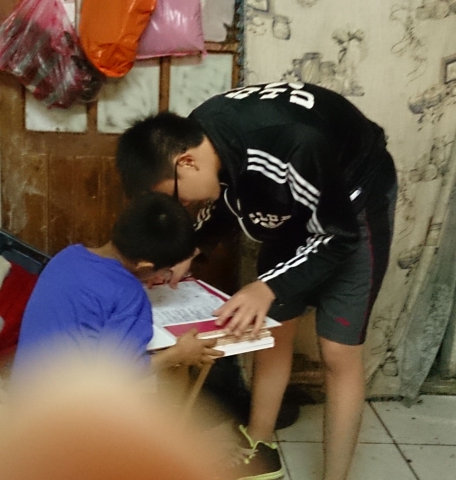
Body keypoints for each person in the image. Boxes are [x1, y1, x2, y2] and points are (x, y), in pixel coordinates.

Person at [116, 82, 397, 480]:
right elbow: (225, 198)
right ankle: (261, 447)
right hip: (292, 198)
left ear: (186, 163)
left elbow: (337, 235)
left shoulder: (293, 144)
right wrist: (190, 249)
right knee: (272, 329)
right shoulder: (202, 137)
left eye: (178, 198)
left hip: (350, 201)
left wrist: (268, 287)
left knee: (338, 352)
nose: (184, 206)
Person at [11, 192, 223, 384]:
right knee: (173, 378)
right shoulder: (129, 295)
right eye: (166, 270)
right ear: (144, 265)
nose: (164, 276)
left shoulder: (67, 256)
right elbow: (117, 375)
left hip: (26, 396)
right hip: (67, 409)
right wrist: (178, 354)